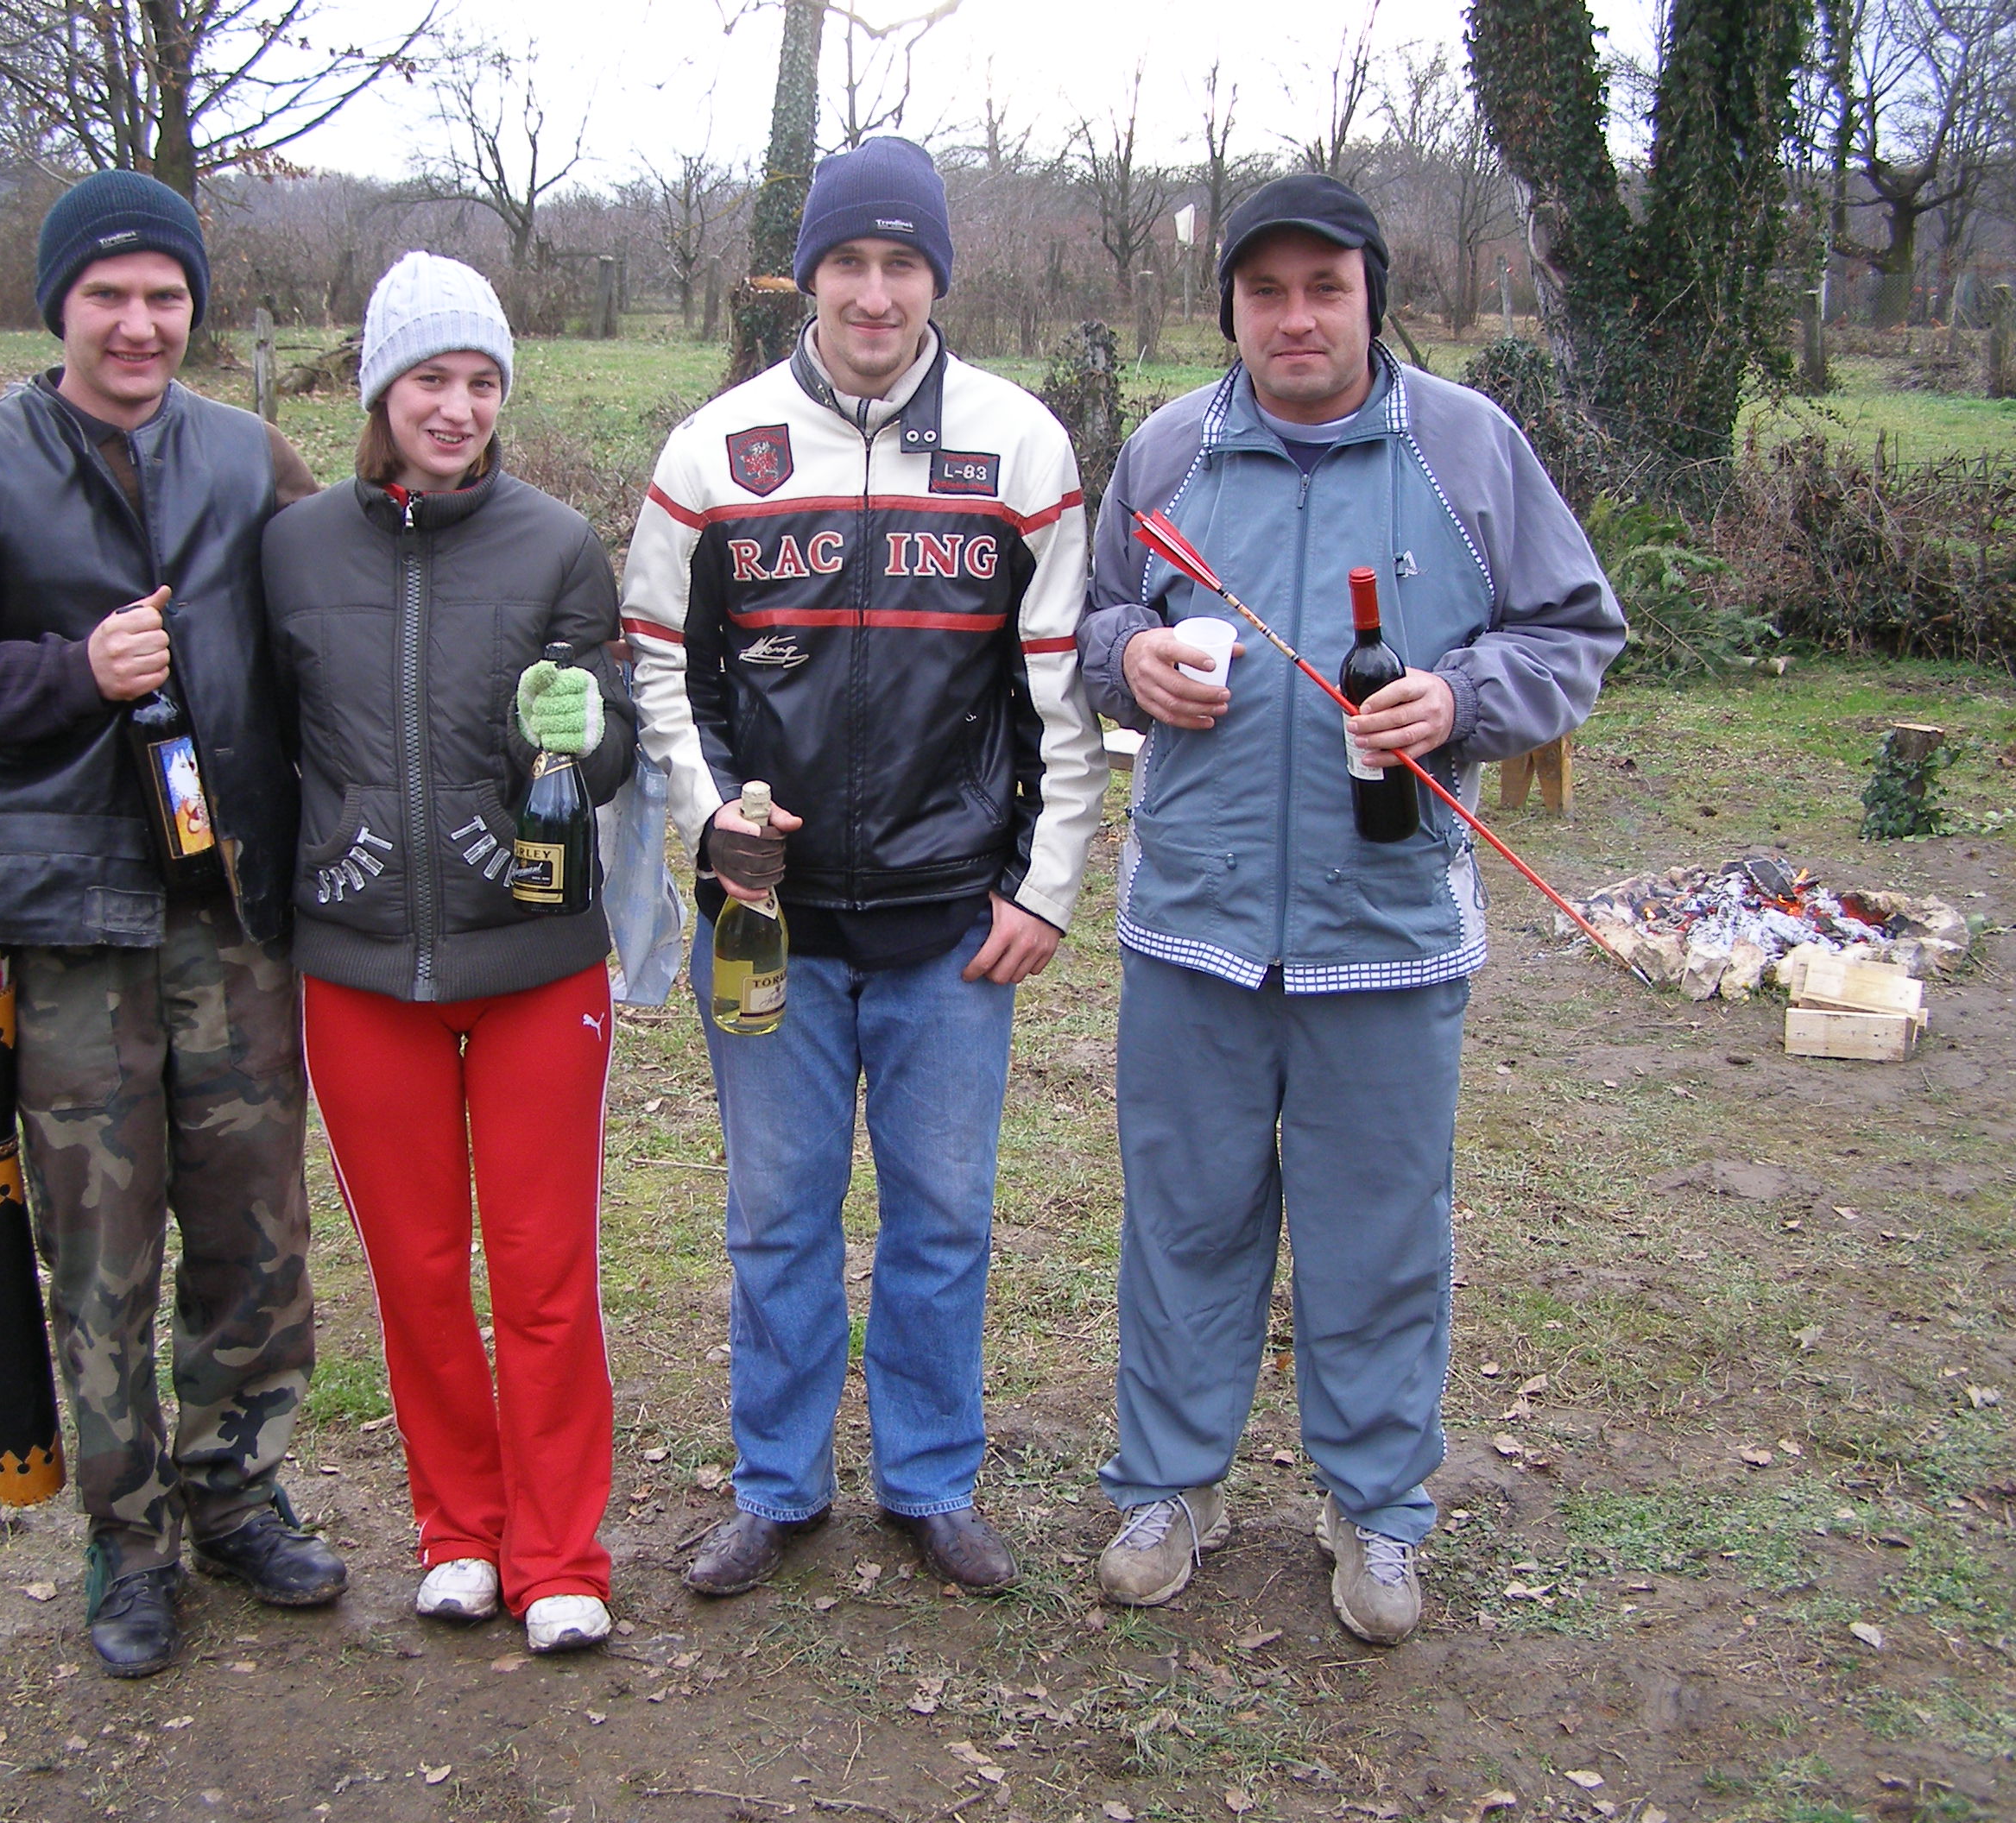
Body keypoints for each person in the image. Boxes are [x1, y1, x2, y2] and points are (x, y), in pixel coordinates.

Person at [1078, 174, 1625, 1643]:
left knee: (1380, 1234)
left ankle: (1375, 1507)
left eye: (1327, 287)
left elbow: (1574, 630)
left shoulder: (1466, 446)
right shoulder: (1169, 450)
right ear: (1232, 309)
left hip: (1386, 929)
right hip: (1194, 921)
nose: (1297, 318)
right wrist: (1128, 660)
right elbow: (1093, 617)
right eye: (1267, 292)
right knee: (1185, 1221)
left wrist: (1463, 699)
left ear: (1374, 296)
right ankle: (1170, 1486)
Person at [0, 171, 344, 1678]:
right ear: (59, 304)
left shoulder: (250, 456)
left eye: (164, 296)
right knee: (101, 1252)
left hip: (235, 920)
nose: (138, 323)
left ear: (195, 309)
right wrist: (70, 673)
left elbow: (336, 626)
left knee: (255, 1234)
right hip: (68, 938)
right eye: (107, 295)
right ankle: (129, 1542)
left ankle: (238, 1495)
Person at [624, 137, 1107, 1596]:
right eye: (850, 263)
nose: (876, 294)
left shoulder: (1021, 448)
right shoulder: (716, 453)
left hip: (949, 926)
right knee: (776, 1220)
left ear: (937, 279)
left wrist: (1045, 888)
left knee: (942, 1220)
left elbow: (1059, 697)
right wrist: (712, 816)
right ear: (809, 278)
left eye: (904, 265)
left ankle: (930, 1480)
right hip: (764, 921)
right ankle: (778, 1486)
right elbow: (659, 669)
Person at [263, 253, 635, 1655]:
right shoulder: (294, 550)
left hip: (534, 957)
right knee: (417, 1274)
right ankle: (459, 1534)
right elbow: (259, 737)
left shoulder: (557, 545)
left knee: (543, 1271)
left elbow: (609, 742)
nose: (458, 407)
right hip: (360, 966)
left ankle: (560, 1555)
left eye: (483, 382)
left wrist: (582, 731)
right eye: (432, 378)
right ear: (381, 389)